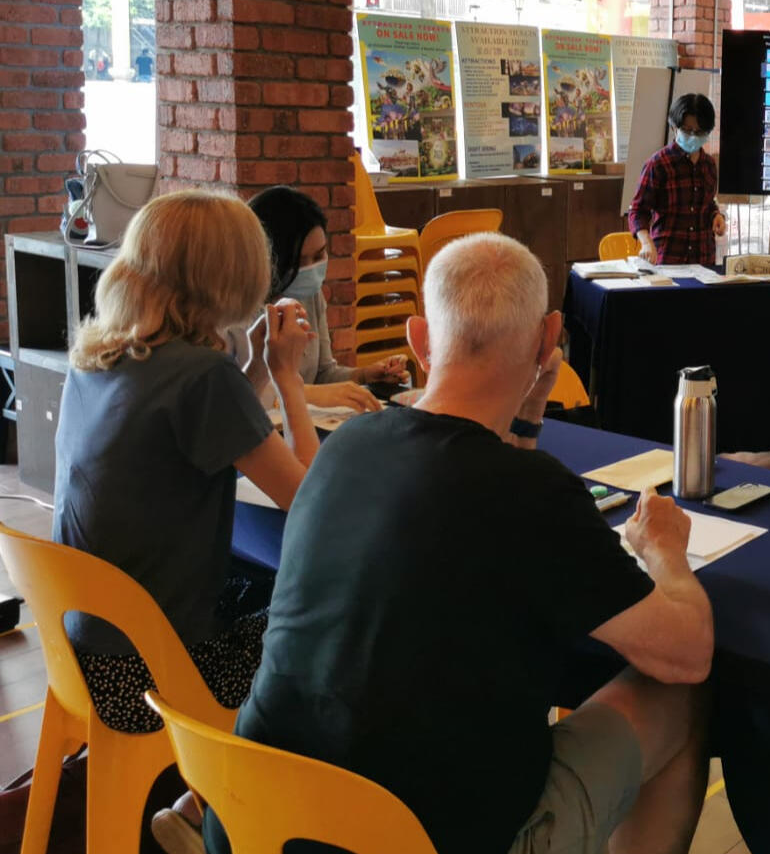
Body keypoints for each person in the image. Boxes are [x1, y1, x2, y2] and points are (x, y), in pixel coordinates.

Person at [213, 233, 713, 854]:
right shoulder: (533, 495)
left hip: (258, 820)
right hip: (422, 838)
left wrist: (527, 413)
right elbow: (685, 653)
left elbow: (471, 485)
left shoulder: (346, 445)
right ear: (547, 338)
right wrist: (664, 548)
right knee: (679, 696)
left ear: (418, 340)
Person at [53, 190, 318, 734]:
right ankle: (237, 799)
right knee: (330, 618)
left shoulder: (100, 356)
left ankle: (196, 801)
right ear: (232, 278)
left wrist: (257, 368)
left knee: (259, 579)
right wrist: (287, 376)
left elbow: (204, 429)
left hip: (87, 658)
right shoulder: (201, 377)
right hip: (155, 677)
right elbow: (313, 503)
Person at [233, 186, 407, 412]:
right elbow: (241, 395)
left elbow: (323, 373)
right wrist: (314, 394)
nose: (311, 269)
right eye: (299, 262)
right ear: (268, 260)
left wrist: (366, 375)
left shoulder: (309, 295)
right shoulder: (235, 312)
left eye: (319, 255)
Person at [628, 92, 725, 265]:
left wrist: (716, 216)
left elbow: (707, 203)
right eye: (688, 130)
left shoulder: (709, 165)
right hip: (668, 259)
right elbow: (637, 211)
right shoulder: (658, 164)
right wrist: (646, 242)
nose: (694, 136)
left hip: (704, 261)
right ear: (674, 127)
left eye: (700, 131)